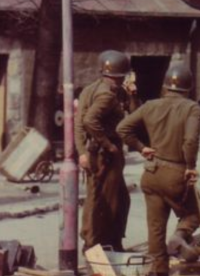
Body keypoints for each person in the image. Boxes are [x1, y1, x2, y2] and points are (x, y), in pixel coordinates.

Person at [117, 64, 200, 276]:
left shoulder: (150, 105)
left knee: (155, 227)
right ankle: (180, 236)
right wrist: (191, 167)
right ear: (188, 88)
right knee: (192, 216)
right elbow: (190, 141)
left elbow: (122, 128)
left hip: (152, 172)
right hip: (176, 173)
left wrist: (141, 148)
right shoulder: (192, 108)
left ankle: (159, 269)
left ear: (166, 86)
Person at [74, 50, 132, 251]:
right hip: (105, 153)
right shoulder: (107, 95)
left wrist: (81, 150)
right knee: (106, 200)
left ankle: (105, 240)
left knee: (113, 198)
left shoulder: (90, 89)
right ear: (120, 74)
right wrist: (108, 145)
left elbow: (79, 122)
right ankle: (98, 243)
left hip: (94, 151)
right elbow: (89, 121)